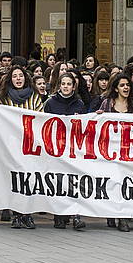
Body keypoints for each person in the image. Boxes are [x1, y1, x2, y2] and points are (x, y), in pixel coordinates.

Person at [0, 66, 44, 228]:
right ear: (10, 79)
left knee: (29, 180)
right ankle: (16, 214)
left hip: (30, 146)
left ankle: (27, 214)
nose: (18, 79)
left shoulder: (35, 97)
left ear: (25, 78)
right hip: (11, 146)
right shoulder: (3, 98)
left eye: (21, 76)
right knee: (14, 179)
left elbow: (40, 119)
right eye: (15, 76)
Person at [97, 74, 133, 232]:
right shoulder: (107, 103)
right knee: (113, 182)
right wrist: (99, 117)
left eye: (127, 85)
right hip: (110, 150)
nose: (126, 88)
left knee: (125, 183)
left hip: (128, 151)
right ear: (116, 88)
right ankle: (112, 213)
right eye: (122, 85)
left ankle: (122, 217)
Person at [44, 73, 87, 230]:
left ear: (74, 87)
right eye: (64, 84)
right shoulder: (50, 103)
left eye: (69, 84)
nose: (66, 87)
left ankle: (76, 215)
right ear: (59, 85)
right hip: (56, 148)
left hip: (74, 149)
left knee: (74, 182)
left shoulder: (79, 104)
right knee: (58, 182)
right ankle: (59, 215)